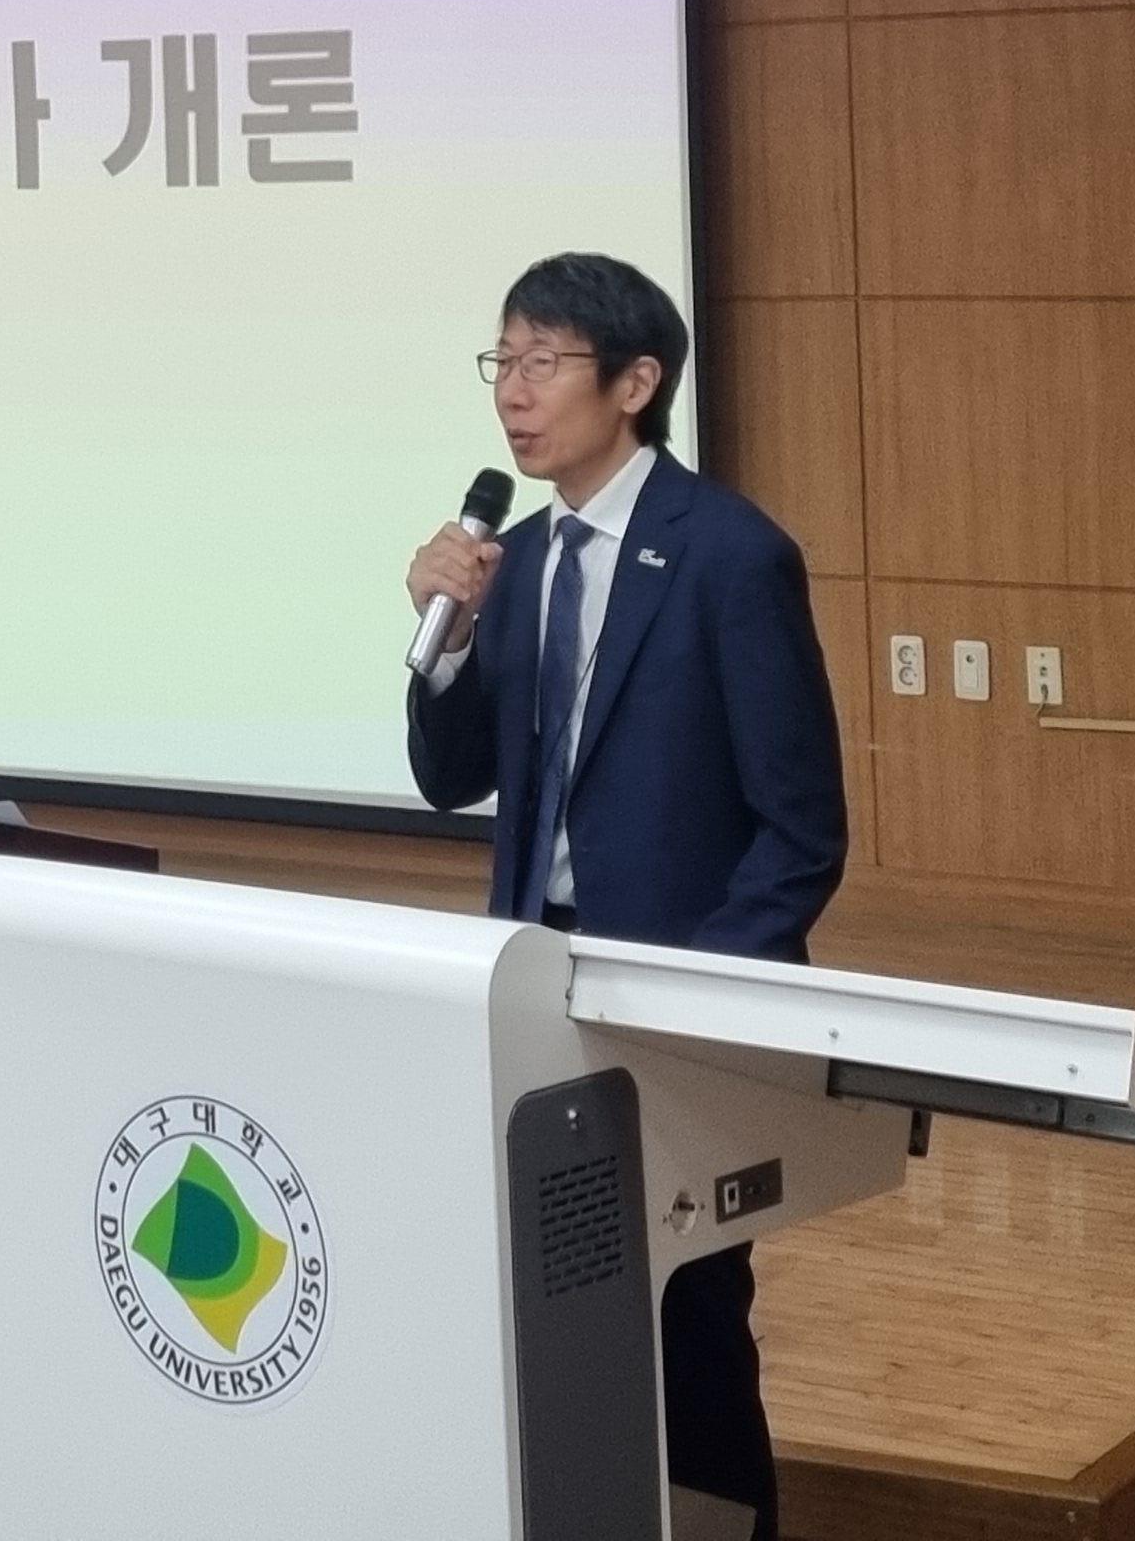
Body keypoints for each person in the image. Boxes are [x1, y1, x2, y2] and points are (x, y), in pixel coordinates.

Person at [401, 252, 845, 1541]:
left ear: (637, 382)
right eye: (502, 362)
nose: (513, 392)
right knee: (557, 1291)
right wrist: (447, 641)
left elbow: (802, 830)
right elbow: (453, 776)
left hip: (684, 994)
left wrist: (704, 988)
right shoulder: (524, 561)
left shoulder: (731, 555)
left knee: (688, 1297)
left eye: (542, 362)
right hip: (536, 984)